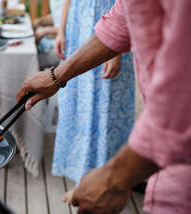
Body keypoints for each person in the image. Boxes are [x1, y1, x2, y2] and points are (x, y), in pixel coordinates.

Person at [17, 0, 191, 213]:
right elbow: (122, 18)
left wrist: (114, 178)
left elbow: (189, 96)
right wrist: (57, 76)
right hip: (167, 171)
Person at [51, 0, 135, 201]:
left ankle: (106, 183)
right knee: (79, 105)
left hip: (110, 29)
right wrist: (61, 30)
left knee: (106, 112)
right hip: (78, 27)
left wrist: (117, 49)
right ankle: (83, 179)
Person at [32, 0, 64, 69]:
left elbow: (71, 28)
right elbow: (56, 15)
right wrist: (39, 21)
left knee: (31, 60)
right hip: (52, 41)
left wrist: (45, 31)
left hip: (63, 47)